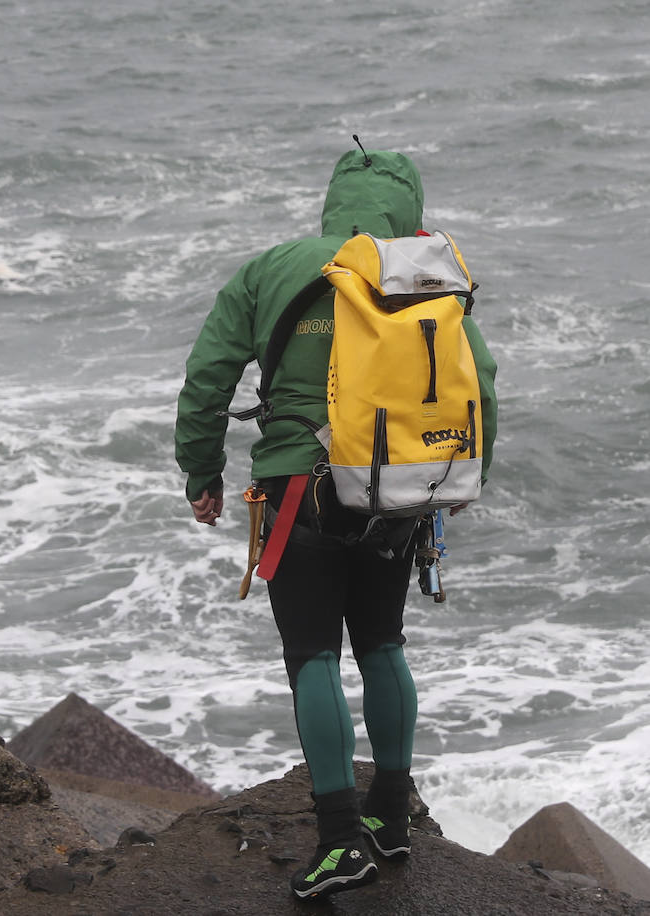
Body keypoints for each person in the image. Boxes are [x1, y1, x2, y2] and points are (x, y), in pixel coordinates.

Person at [173, 146, 498, 899]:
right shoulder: (424, 275)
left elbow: (208, 377)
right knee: (383, 643)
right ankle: (391, 815)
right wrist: (462, 481)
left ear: (333, 200)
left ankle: (340, 843)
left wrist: (201, 472)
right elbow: (479, 383)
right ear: (408, 211)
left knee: (314, 655)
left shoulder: (272, 268)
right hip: (398, 489)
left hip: (298, 490)